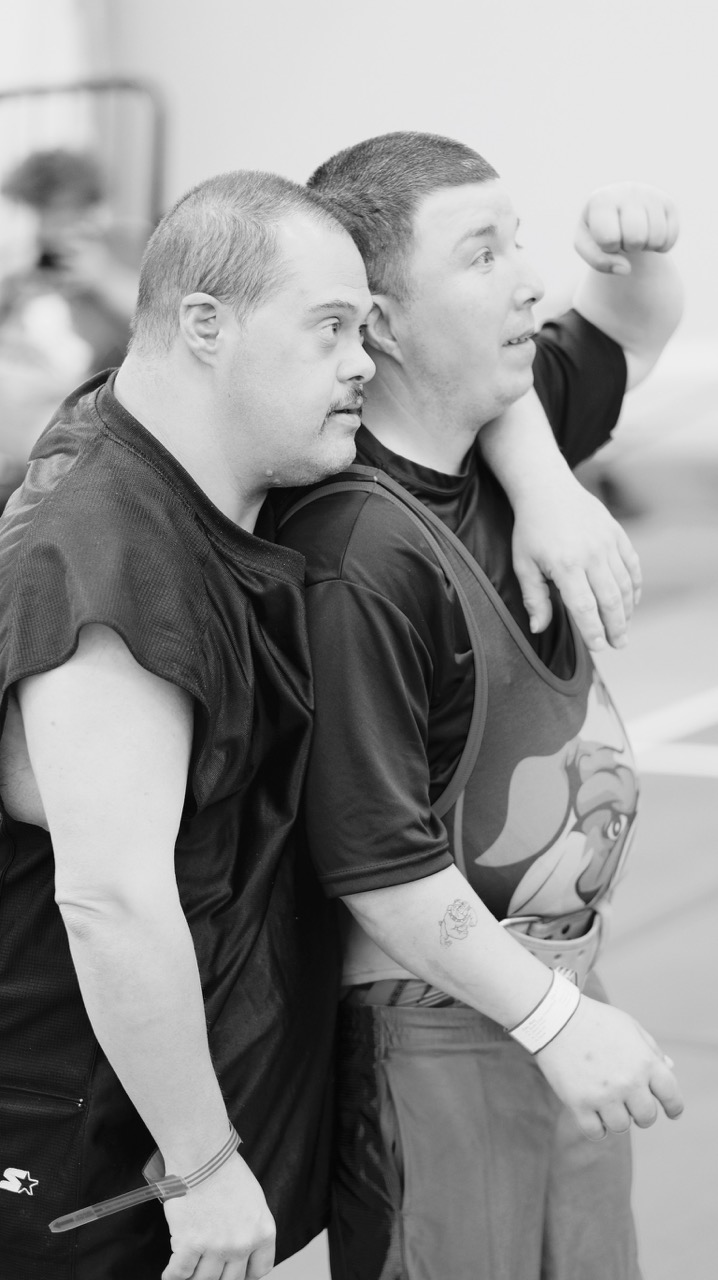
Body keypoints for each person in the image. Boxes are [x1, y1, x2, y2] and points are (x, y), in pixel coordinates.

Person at [270, 132, 685, 1280]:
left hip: (557, 991)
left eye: (520, 242)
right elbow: (377, 863)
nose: (528, 281)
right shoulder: (359, 555)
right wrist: (556, 1020)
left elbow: (632, 328)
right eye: (481, 254)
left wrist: (631, 242)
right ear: (382, 323)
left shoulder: (500, 419)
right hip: (438, 1025)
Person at [0, 169, 375, 1280]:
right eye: (331, 328)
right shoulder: (102, 553)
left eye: (366, 328)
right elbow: (110, 900)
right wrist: (202, 1164)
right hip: (88, 1148)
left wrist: (541, 478)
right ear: (205, 325)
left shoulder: (190, 462)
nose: (364, 361)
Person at [0, 148, 145, 507]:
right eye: (39, 212)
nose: (47, 226)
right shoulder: (26, 269)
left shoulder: (125, 251)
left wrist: (102, 276)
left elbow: (163, 318)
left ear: (88, 208)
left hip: (87, 427)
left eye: (58, 211)